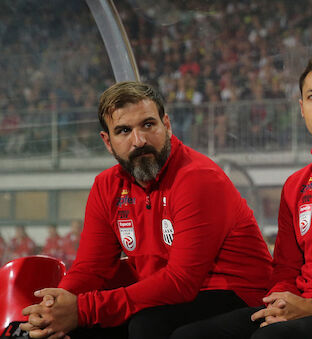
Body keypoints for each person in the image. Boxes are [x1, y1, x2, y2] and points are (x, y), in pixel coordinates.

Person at [20, 82, 273, 339]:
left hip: (240, 296)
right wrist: (55, 307)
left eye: (148, 125)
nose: (139, 140)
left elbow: (181, 281)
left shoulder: (198, 178)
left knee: (145, 327)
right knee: (68, 331)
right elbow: (90, 269)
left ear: (167, 124)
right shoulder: (106, 186)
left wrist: (83, 309)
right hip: (172, 297)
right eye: (124, 131)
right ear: (107, 142)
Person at [170, 54, 312, 339]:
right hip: (301, 305)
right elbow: (285, 268)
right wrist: (277, 303)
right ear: (302, 108)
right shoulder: (295, 185)